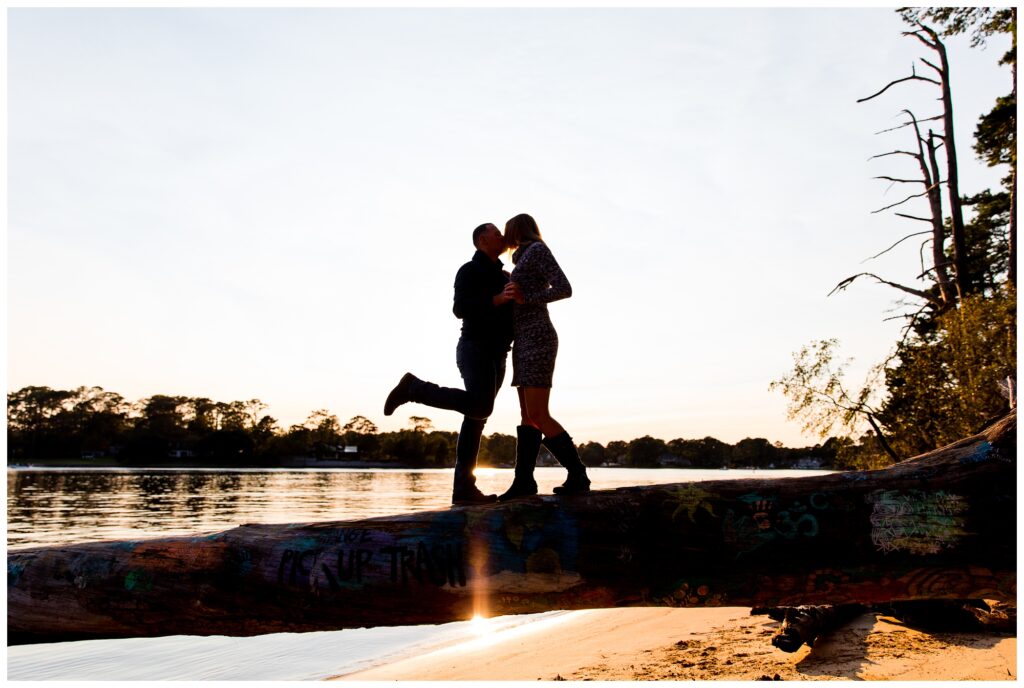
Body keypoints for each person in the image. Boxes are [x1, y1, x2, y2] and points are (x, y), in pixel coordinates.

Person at [383, 223, 521, 506]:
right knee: (481, 407)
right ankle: (414, 388)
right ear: (482, 240)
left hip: (498, 352)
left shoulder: (505, 275)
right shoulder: (469, 270)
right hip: (475, 347)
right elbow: (460, 308)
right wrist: (497, 299)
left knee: (476, 417)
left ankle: (463, 490)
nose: (502, 237)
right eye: (496, 233)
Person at [498, 213, 590, 501]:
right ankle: (523, 482)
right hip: (523, 340)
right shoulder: (521, 260)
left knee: (539, 413)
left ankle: (578, 474)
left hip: (539, 337)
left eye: (506, 232)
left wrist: (528, 298)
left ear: (516, 230)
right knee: (527, 415)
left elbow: (564, 288)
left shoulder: (537, 250)